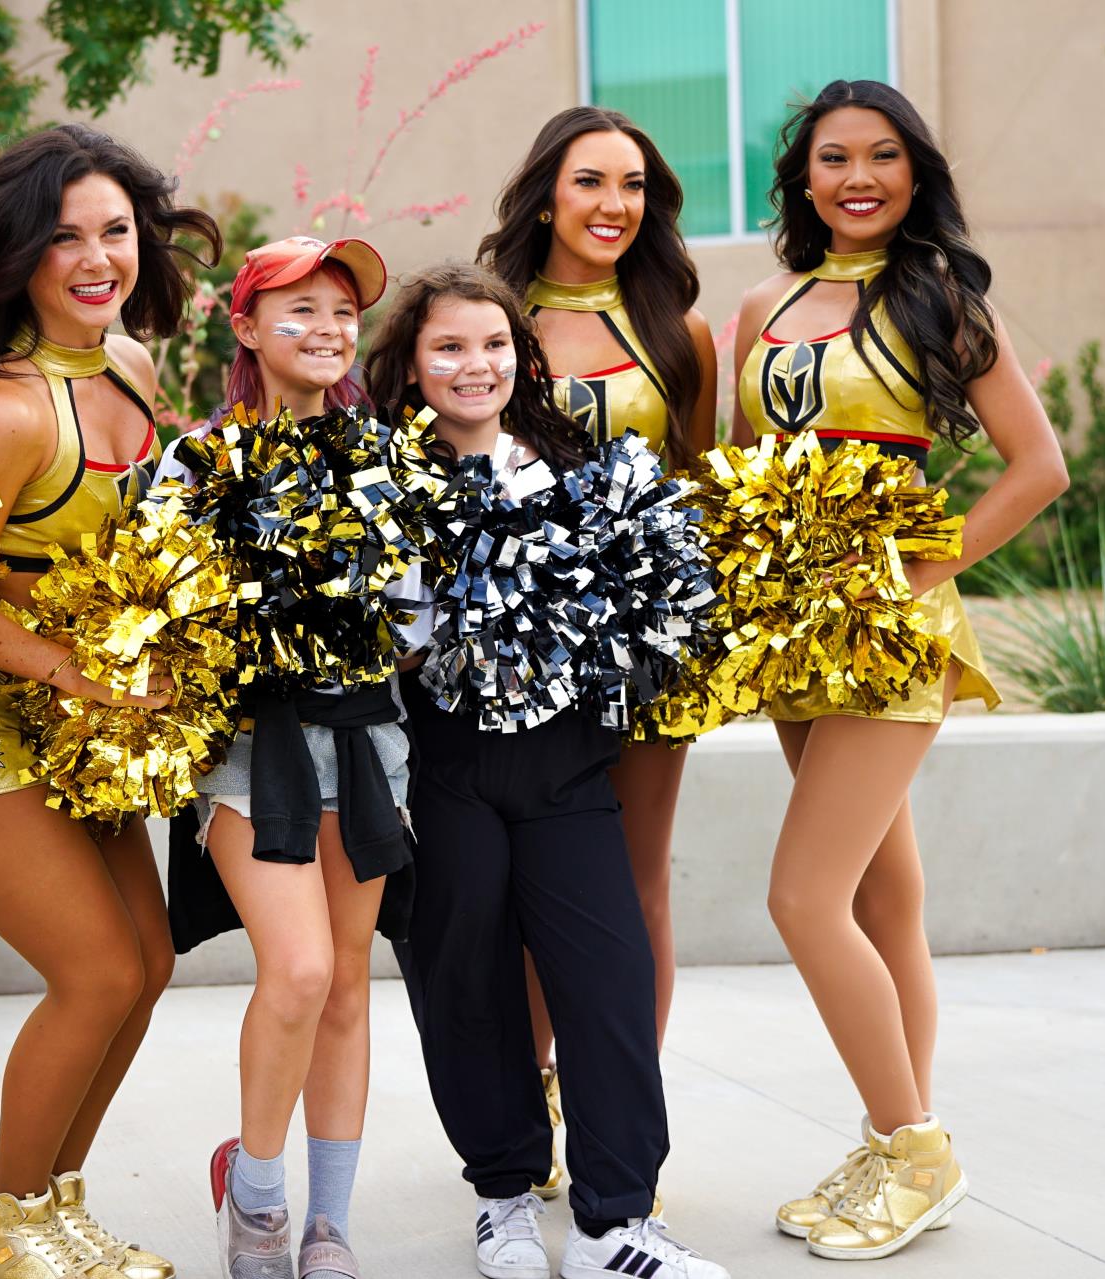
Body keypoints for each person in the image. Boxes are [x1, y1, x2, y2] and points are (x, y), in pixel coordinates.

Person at [731, 79, 1067, 1261]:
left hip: (890, 630)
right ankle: (899, 1147)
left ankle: (913, 1144)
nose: (858, 177)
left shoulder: (941, 300)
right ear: (803, 177)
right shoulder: (763, 305)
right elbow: (743, 469)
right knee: (884, 897)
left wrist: (923, 572)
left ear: (916, 174)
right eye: (834, 158)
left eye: (883, 157)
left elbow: (1038, 466)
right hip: (792, 633)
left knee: (802, 897)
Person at [0, 124, 218, 1279]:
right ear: (16, 252)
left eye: (115, 232)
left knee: (151, 962)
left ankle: (57, 1207)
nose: (95, 257)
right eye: (63, 235)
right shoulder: (8, 410)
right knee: (98, 970)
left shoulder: (129, 369)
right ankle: (8, 1228)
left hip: (65, 722)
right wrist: (78, 667)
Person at [369, 262, 729, 1279]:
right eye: (448, 346)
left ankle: (616, 1221)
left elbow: (667, 599)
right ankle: (502, 1196)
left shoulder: (585, 467)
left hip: (568, 767)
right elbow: (374, 631)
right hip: (445, 767)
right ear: (413, 364)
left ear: (522, 359)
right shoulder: (382, 483)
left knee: (606, 975)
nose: (472, 365)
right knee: (464, 977)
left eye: (492, 345)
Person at [478, 107, 717, 1191]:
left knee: (636, 882)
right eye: (590, 182)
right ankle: (526, 1110)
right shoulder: (493, 320)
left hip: (644, 654)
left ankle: (619, 1114)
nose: (614, 205)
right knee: (531, 887)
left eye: (633, 186)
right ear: (545, 195)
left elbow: (701, 487)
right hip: (519, 650)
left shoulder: (681, 332)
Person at [162, 234, 409, 1279]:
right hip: (248, 752)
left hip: (366, 741)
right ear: (247, 326)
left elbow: (422, 611)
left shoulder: (392, 458)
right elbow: (157, 617)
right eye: (298, 308)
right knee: (300, 969)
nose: (325, 329)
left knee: (349, 982)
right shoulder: (195, 463)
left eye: (343, 312)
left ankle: (329, 1225)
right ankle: (256, 1198)